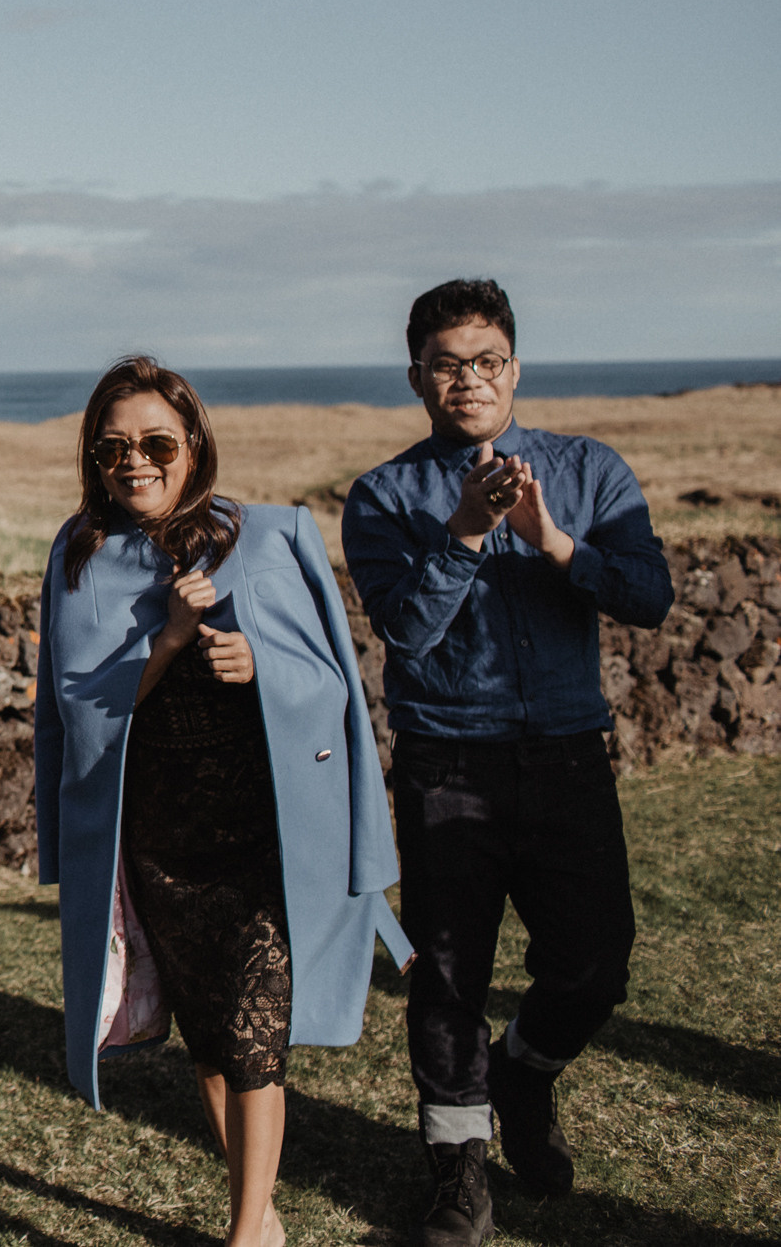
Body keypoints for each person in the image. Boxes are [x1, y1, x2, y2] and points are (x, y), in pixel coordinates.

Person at [34, 357, 409, 1247]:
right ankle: (263, 1211)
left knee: (253, 1041)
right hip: (160, 841)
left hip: (261, 840)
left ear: (193, 444)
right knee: (210, 1040)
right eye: (114, 445)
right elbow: (80, 713)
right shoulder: (78, 552)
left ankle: (245, 1231)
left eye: (157, 442)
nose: (136, 461)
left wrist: (258, 667)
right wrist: (167, 640)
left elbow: (335, 690)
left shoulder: (269, 535)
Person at [342, 279, 672, 1247]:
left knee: (597, 961)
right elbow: (402, 631)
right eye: (447, 363)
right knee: (446, 979)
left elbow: (648, 595)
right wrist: (467, 534)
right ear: (417, 377)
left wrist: (553, 543)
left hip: (569, 755)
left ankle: (522, 1073)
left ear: (515, 369)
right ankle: (458, 1177)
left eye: (487, 360)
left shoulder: (590, 471)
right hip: (445, 763)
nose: (469, 379)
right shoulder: (385, 496)